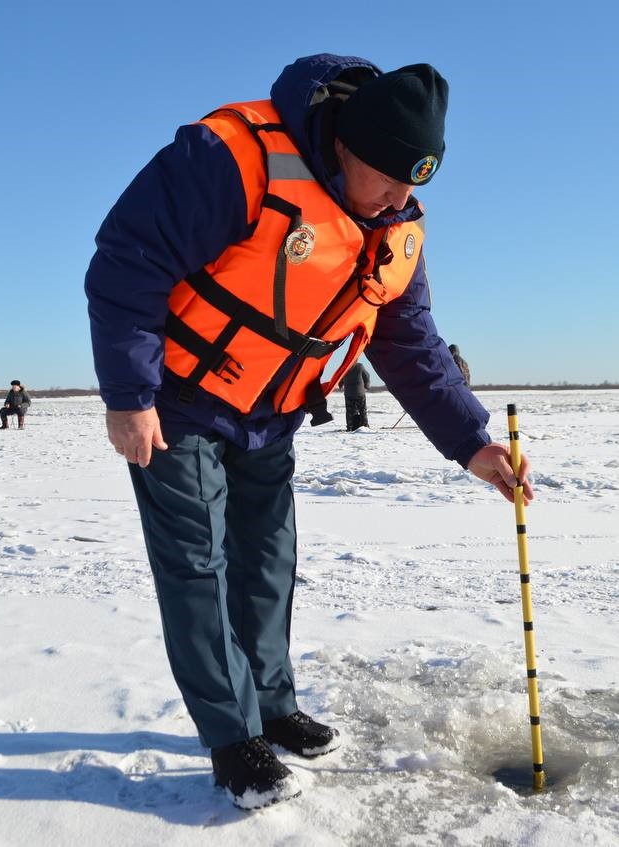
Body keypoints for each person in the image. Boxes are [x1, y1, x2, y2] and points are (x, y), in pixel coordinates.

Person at [84, 54, 533, 810]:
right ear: (345, 147)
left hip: (272, 414)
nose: (399, 198)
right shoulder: (230, 160)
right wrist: (129, 395)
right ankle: (232, 739)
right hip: (180, 400)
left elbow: (409, 343)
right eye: (388, 177)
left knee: (267, 562)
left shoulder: (396, 229)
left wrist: (472, 442)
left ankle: (270, 701)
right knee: (196, 565)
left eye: (415, 184)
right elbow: (128, 262)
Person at [341, 359, 371, 431]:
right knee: (362, 410)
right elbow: (367, 376)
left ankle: (350, 427)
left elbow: (340, 378)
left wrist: (340, 385)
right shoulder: (359, 366)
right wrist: (366, 386)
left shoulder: (344, 367)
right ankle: (365, 426)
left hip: (348, 393)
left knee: (349, 412)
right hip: (360, 392)